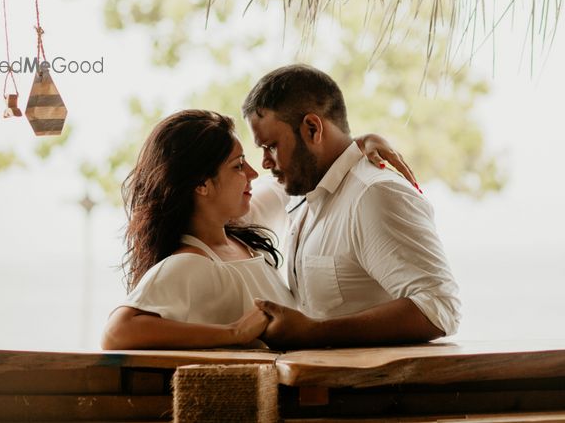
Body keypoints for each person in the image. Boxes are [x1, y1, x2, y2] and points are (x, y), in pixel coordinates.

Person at [101, 109, 415, 350]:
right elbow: (117, 332)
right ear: (202, 185)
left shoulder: (240, 234)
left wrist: (365, 141)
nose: (253, 173)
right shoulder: (187, 265)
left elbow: (299, 178)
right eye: (238, 166)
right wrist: (233, 333)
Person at [244, 64, 461, 349]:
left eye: (271, 146)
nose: (264, 163)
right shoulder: (304, 193)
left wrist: (314, 332)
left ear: (312, 128)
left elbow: (439, 308)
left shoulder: (374, 194)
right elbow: (225, 209)